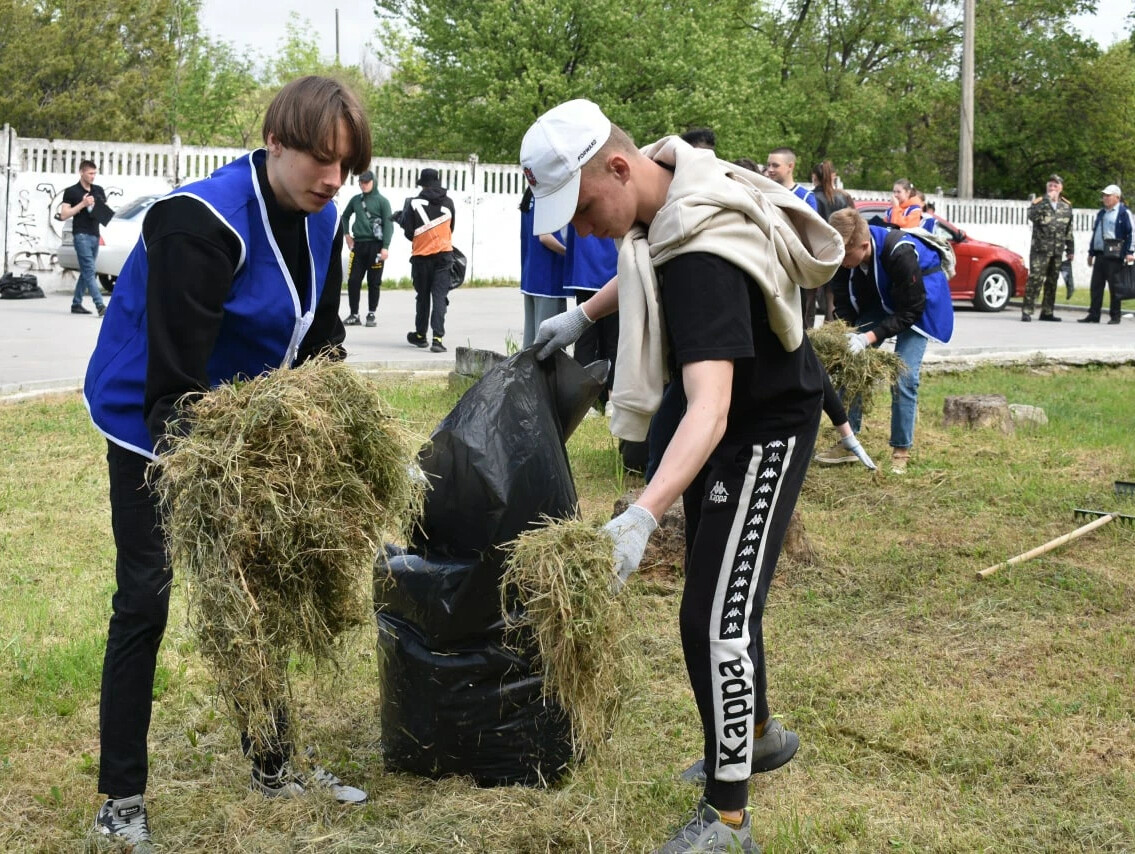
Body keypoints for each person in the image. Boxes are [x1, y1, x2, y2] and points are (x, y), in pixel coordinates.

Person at [522, 99, 842, 853]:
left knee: (714, 616)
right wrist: (582, 316)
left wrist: (641, 514)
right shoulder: (664, 192)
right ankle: (755, 735)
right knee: (717, 589)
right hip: (730, 422)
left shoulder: (698, 255)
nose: (580, 226)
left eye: (584, 204)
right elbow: (638, 260)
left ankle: (728, 819)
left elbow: (710, 409)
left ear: (619, 166)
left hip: (759, 429)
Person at [82, 75, 373, 848]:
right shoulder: (198, 224)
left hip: (241, 423)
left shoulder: (321, 214)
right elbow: (173, 387)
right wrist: (218, 491)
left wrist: (347, 436)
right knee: (147, 596)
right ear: (275, 141)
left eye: (345, 164)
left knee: (260, 592)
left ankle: (274, 765)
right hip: (151, 421)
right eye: (319, 158)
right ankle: (121, 799)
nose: (333, 178)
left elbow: (319, 339)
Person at [827, 206, 954, 474]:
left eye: (846, 258)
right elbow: (841, 295)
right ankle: (848, 443)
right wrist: (852, 332)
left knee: (904, 375)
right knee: (853, 363)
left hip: (918, 305)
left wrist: (869, 337)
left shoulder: (901, 253)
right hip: (886, 297)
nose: (841, 263)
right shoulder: (844, 255)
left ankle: (901, 451)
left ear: (863, 245)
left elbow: (911, 310)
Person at [398, 168, 455, 352]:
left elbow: (408, 232)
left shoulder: (414, 203)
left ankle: (421, 335)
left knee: (423, 297)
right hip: (444, 257)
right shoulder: (449, 203)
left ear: (422, 184)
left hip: (421, 257)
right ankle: (437, 339)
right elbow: (451, 228)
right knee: (440, 297)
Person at [340, 169, 392, 327]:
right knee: (353, 280)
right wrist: (347, 235)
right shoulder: (356, 200)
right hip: (358, 245)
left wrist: (385, 247)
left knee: (374, 281)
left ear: (373, 182)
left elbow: (389, 224)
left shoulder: (382, 201)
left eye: (366, 182)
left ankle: (371, 313)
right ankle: (354, 314)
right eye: (361, 182)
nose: (363, 185)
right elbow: (345, 216)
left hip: (376, 246)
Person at [519, 187, 569, 347]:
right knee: (548, 343)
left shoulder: (530, 196)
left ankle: (526, 372)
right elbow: (545, 237)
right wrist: (569, 254)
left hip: (531, 276)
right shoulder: (547, 197)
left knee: (531, 340)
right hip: (549, 277)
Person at [1021, 174, 1075, 323]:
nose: (1052, 188)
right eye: (1050, 185)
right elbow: (1032, 216)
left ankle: (1047, 311)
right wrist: (1046, 200)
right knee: (1035, 280)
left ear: (1061, 188)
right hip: (1040, 251)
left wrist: (1070, 250)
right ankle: (1027, 310)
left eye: (1055, 186)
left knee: (1052, 281)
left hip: (1057, 251)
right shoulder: (1039, 203)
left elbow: (1068, 230)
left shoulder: (1066, 206)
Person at [59, 159, 108, 316]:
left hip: (95, 234)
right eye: (90, 173)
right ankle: (100, 305)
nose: (93, 176)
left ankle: (76, 304)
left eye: (95, 173)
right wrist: (82, 204)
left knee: (88, 271)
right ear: (81, 172)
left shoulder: (99, 190)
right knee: (89, 269)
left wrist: (97, 205)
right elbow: (64, 214)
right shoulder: (72, 191)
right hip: (81, 235)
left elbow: (104, 215)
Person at [1080, 183, 1133, 325]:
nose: (1105, 198)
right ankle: (1094, 314)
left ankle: (1115, 316)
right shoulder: (1102, 213)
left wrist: (1130, 252)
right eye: (1104, 195)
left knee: (1115, 286)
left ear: (1117, 197)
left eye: (1108, 195)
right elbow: (1096, 234)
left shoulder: (1123, 212)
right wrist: (1091, 253)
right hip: (1100, 254)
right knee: (1096, 285)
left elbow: (1131, 233)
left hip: (1115, 254)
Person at [809, 160, 853, 322]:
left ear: (814, 176)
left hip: (815, 251)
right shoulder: (843, 198)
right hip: (839, 251)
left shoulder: (811, 197)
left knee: (809, 296)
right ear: (833, 176)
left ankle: (807, 336)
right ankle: (830, 334)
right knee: (831, 297)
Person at [765, 147, 818, 212]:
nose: (770, 169)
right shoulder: (764, 193)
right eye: (768, 165)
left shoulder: (806, 197)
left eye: (775, 165)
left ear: (790, 166)